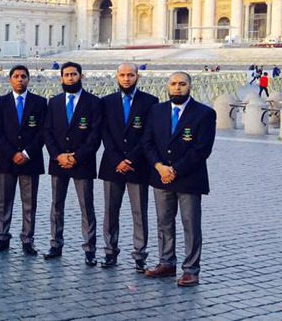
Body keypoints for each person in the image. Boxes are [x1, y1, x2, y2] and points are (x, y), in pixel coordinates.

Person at [143, 72, 216, 287]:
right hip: (160, 176)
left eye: (182, 84)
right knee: (164, 222)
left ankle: (191, 270)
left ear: (190, 86)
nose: (177, 88)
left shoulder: (204, 113)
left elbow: (202, 149)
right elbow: (148, 142)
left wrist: (174, 170)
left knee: (190, 225)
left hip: (188, 178)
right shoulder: (156, 111)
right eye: (173, 84)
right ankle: (166, 262)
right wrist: (159, 166)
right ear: (168, 86)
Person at [98, 63, 158, 272]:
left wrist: (131, 159)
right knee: (110, 211)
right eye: (123, 75)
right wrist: (117, 160)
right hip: (112, 165)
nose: (126, 79)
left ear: (137, 77)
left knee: (139, 212)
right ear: (117, 77)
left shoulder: (150, 102)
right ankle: (109, 252)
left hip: (138, 165)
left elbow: (149, 135)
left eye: (130, 75)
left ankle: (140, 255)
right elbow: (104, 133)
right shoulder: (106, 102)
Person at [43, 61, 102, 266]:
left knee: (86, 206)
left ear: (81, 77)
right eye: (66, 75)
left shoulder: (94, 103)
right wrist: (57, 155)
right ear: (61, 78)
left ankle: (89, 248)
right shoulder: (54, 102)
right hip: (58, 162)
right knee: (56, 206)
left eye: (74, 74)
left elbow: (95, 136)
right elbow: (47, 132)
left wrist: (76, 157)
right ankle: (55, 243)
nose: (70, 78)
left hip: (82, 163)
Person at [0, 65, 47, 256]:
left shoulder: (40, 103)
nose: (20, 79)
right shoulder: (0, 102)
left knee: (29, 203)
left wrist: (26, 153)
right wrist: (12, 153)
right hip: (6, 160)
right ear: (10, 79)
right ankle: (2, 237)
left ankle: (27, 240)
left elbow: (42, 132)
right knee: (4, 202)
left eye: (23, 76)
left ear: (28, 79)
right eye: (16, 76)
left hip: (30, 161)